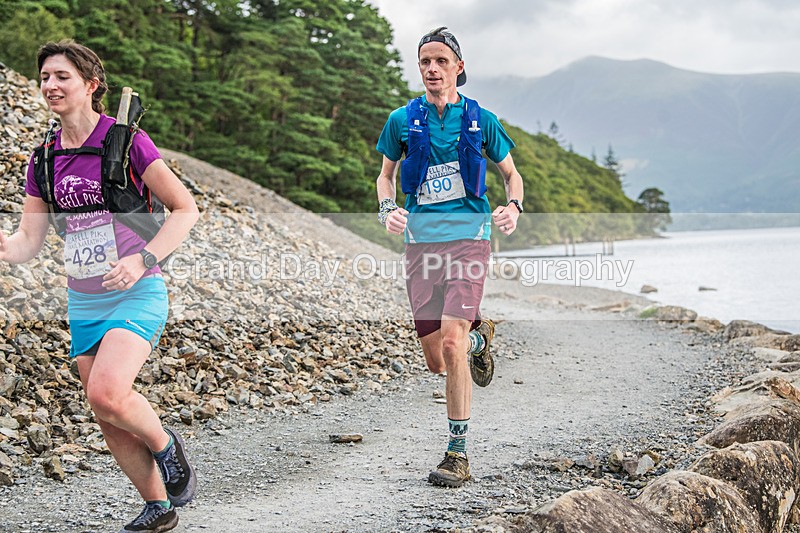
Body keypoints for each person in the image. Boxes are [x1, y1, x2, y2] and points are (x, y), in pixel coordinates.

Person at [0, 40, 199, 532]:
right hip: (82, 300)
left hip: (137, 288)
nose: (50, 85)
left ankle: (166, 445)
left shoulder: (128, 142)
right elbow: (27, 241)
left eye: (62, 76)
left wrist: (142, 258)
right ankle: (158, 506)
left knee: (108, 393)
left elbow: (185, 209)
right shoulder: (43, 159)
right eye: (44, 76)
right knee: (107, 415)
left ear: (91, 85)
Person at [375, 27, 525, 487]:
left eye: (441, 61)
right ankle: (482, 340)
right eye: (425, 62)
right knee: (436, 359)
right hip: (421, 244)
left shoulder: (482, 120)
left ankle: (457, 453)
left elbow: (511, 175)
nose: (433, 69)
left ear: (459, 67)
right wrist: (387, 210)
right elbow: (385, 177)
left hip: (469, 240)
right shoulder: (402, 120)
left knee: (452, 343)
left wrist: (512, 207)